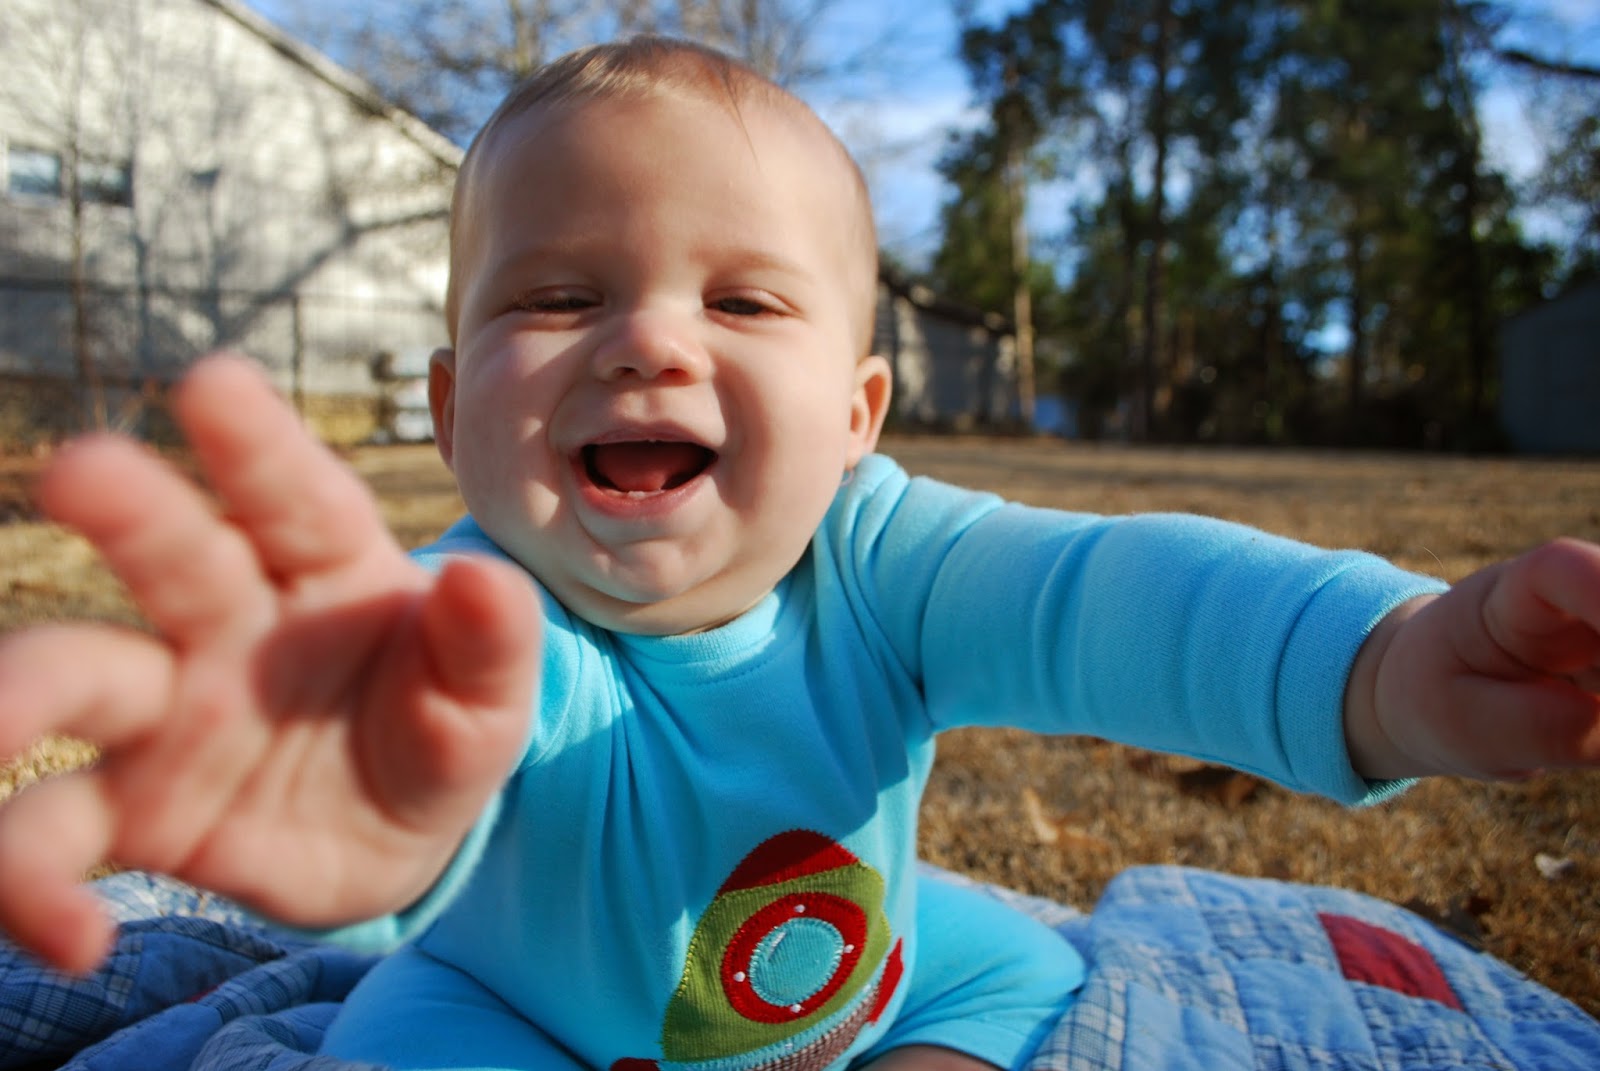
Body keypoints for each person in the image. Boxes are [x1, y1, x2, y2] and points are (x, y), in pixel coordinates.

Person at [1, 34, 1598, 1071]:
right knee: (390, 1050)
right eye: (557, 297)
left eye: (743, 300)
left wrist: (1385, 663)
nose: (647, 341)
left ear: (854, 415)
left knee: (1021, 981)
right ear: (448, 410)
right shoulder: (478, 613)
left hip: (868, 981)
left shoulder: (884, 559)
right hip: (513, 1006)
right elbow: (406, 730)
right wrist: (355, 782)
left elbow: (1106, 596)